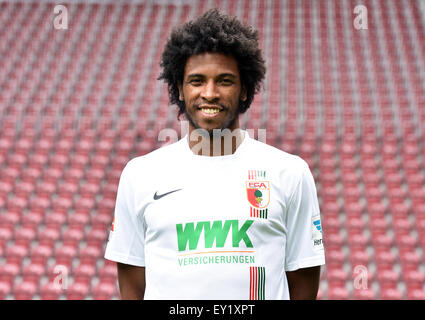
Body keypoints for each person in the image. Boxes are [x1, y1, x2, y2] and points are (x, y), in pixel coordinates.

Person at [104, 8, 325, 300]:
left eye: (224, 80)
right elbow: (133, 284)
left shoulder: (290, 172)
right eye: (196, 81)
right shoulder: (140, 174)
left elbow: (302, 282)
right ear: (179, 90)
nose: (209, 93)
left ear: (245, 89)